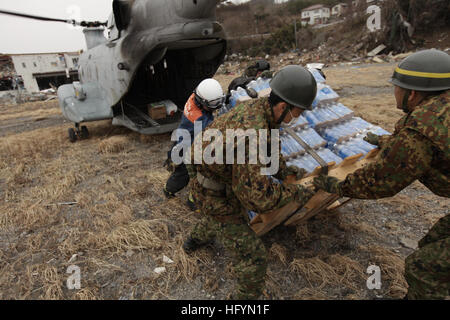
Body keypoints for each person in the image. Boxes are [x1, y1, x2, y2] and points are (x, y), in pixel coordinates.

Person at [313, 49, 450, 300]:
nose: (394, 91)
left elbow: (380, 181)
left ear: (413, 93)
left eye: (397, 87)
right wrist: (388, 142)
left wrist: (337, 185)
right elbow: (430, 146)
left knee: (424, 269)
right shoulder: (441, 109)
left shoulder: (422, 126)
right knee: (434, 244)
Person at [183, 65, 318, 300]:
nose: (298, 118)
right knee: (253, 257)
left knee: (220, 218)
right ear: (283, 106)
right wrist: (297, 192)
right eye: (297, 112)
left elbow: (271, 151)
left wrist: (285, 171)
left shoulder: (263, 110)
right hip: (211, 188)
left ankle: (193, 241)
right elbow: (257, 199)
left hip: (219, 177)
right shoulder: (252, 131)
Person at [164, 79, 225, 210]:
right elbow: (212, 132)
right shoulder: (198, 119)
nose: (217, 106)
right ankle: (169, 190)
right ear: (203, 101)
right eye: (214, 104)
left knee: (197, 175)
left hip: (188, 139)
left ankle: (193, 198)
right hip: (187, 148)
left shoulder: (196, 96)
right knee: (183, 175)